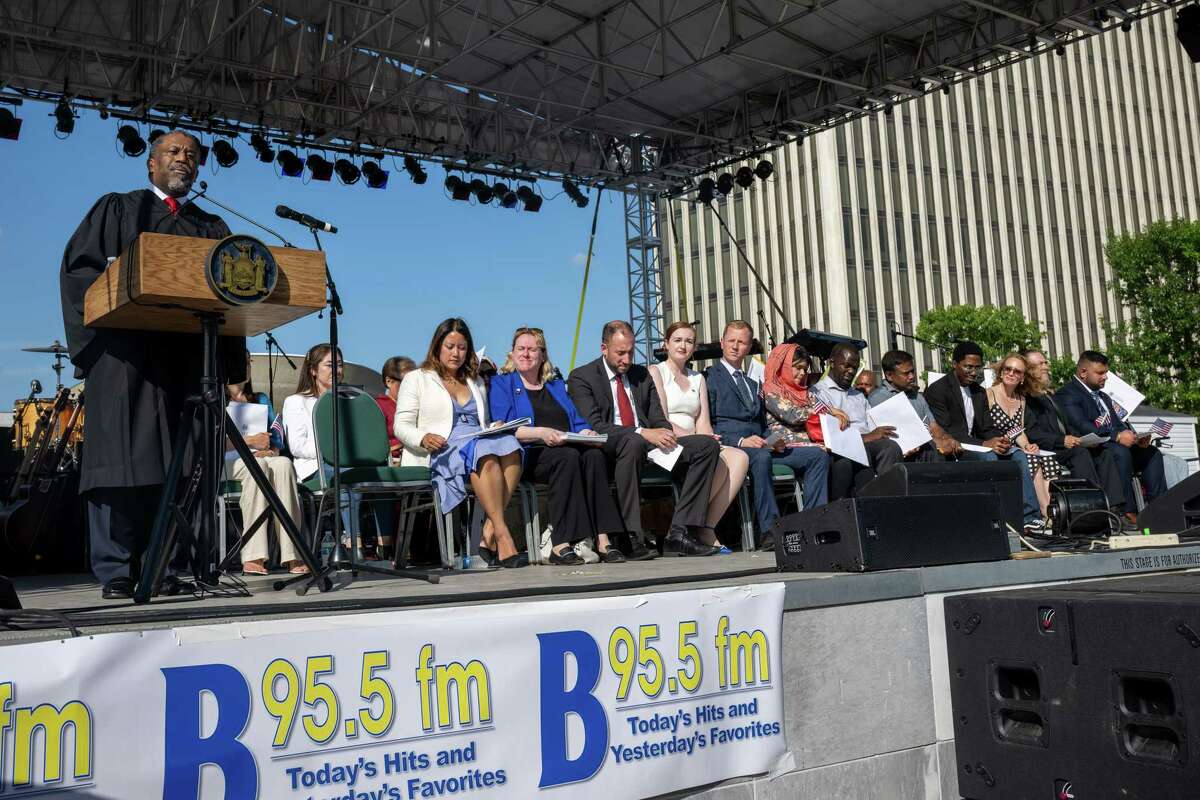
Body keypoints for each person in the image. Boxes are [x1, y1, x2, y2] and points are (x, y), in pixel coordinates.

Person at [59, 130, 246, 599]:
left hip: (187, 361)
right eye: (173, 152)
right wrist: (96, 346)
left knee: (183, 468)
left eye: (191, 155)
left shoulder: (213, 227)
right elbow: (79, 272)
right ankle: (118, 570)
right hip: (127, 359)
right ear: (151, 163)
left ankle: (168, 565)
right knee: (120, 465)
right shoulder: (119, 209)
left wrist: (227, 364)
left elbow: (232, 295)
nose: (183, 159)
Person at [568, 320, 721, 558]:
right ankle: (630, 536)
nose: (627, 360)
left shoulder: (640, 374)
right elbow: (597, 426)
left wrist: (664, 433)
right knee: (633, 442)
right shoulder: (582, 377)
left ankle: (679, 532)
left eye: (630, 352)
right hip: (613, 447)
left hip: (650, 444)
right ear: (603, 348)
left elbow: (657, 417)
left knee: (706, 446)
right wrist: (642, 432)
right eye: (620, 353)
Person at [395, 318, 525, 567]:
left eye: (462, 347)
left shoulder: (473, 380)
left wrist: (493, 427)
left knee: (511, 446)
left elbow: (482, 420)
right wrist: (423, 437)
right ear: (437, 347)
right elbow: (401, 426)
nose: (456, 353)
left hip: (477, 437)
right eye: (450, 346)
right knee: (485, 454)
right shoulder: (417, 378)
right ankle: (502, 534)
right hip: (442, 445)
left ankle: (490, 529)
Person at [490, 327, 626, 565]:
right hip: (530, 453)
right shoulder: (502, 384)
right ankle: (560, 542)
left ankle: (603, 539)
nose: (526, 354)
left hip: (565, 448)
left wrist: (587, 432)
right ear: (511, 354)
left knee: (594, 457)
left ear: (542, 355)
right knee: (567, 457)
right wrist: (541, 433)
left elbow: (577, 420)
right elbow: (505, 428)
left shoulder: (554, 385)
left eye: (532, 349)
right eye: (520, 349)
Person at [706, 322, 829, 549]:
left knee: (817, 456)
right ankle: (770, 531)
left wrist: (773, 440)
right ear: (721, 343)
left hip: (762, 445)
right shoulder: (710, 378)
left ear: (749, 347)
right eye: (731, 341)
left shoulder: (754, 384)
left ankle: (814, 523)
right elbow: (709, 425)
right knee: (760, 457)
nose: (735, 346)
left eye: (741, 342)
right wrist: (741, 441)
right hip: (734, 448)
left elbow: (762, 423)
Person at [648, 321, 749, 552]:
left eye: (689, 341)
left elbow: (703, 422)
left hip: (699, 442)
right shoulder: (656, 372)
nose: (683, 345)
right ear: (666, 344)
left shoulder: (698, 378)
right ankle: (686, 527)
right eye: (678, 340)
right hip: (669, 440)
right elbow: (661, 418)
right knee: (711, 452)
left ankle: (705, 527)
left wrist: (708, 439)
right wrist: (698, 438)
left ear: (694, 347)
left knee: (739, 458)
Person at [926, 342, 1042, 531]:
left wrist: (1000, 440)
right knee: (989, 456)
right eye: (968, 367)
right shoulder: (938, 390)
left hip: (978, 444)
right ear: (955, 364)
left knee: (1018, 455)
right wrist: (985, 443)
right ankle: (998, 516)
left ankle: (1030, 516)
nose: (973, 372)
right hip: (956, 447)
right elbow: (946, 431)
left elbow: (986, 426)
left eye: (977, 367)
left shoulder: (978, 391)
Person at [1055, 350, 1167, 523]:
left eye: (1106, 373)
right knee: (1119, 452)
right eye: (1100, 373)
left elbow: (1119, 425)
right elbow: (1080, 426)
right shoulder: (1067, 394)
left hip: (1114, 445)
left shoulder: (1104, 397)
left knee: (1151, 453)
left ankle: (1159, 509)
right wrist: (1117, 436)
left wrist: (1136, 438)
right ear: (1083, 372)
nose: (1105, 377)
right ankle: (1125, 510)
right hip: (1093, 449)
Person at [225, 351, 308, 575]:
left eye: (247, 362)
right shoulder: (218, 399)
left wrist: (271, 450)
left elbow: (275, 437)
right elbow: (211, 442)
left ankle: (293, 553)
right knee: (257, 468)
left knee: (282, 464)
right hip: (228, 462)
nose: (245, 367)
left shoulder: (260, 399)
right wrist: (249, 442)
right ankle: (254, 556)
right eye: (240, 362)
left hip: (260, 458)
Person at [1022, 349, 1120, 516]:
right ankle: (1091, 509)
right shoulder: (1026, 397)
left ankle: (1115, 508)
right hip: (1046, 447)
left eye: (1046, 362)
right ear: (1028, 369)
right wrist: (1062, 440)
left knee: (1102, 452)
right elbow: (1032, 432)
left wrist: (1085, 439)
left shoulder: (1048, 395)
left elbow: (1065, 424)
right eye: (1041, 364)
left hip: (1066, 444)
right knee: (1079, 454)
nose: (1046, 366)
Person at [813, 344, 903, 499]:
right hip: (843, 446)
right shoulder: (818, 393)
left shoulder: (859, 395)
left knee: (891, 447)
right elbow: (831, 435)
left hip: (868, 441)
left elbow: (873, 425)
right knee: (862, 451)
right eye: (846, 366)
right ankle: (866, 505)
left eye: (854, 368)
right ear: (831, 363)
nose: (851, 372)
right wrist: (866, 438)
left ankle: (890, 501)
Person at [984, 353, 1060, 527]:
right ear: (1001, 372)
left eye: (1017, 371)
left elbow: (1018, 431)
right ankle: (1041, 513)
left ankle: (1051, 512)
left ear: (1022, 378)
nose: (1011, 373)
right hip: (996, 446)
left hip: (1014, 447)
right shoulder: (989, 395)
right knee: (1030, 459)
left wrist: (1027, 444)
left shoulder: (1021, 400)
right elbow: (982, 427)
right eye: (1007, 369)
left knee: (1046, 458)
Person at [868, 349, 952, 461]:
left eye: (912, 371)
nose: (912, 376)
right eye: (906, 373)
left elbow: (934, 426)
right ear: (889, 375)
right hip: (903, 458)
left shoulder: (917, 396)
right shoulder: (878, 398)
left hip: (928, 453)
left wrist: (946, 439)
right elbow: (892, 435)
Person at [376, 356, 416, 462]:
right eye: (406, 382)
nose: (411, 387)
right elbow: (372, 448)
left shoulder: (417, 407)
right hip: (392, 463)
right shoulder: (378, 407)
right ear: (389, 381)